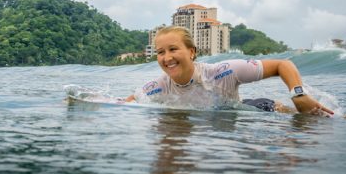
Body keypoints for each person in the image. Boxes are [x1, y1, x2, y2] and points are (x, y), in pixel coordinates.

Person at [126, 26, 334, 116]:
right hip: (212, 125)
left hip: (254, 109)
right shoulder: (157, 87)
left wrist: (298, 94)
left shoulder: (223, 71)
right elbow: (124, 103)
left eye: (173, 49)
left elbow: (283, 64)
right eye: (160, 52)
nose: (167, 58)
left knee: (311, 118)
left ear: (191, 52)